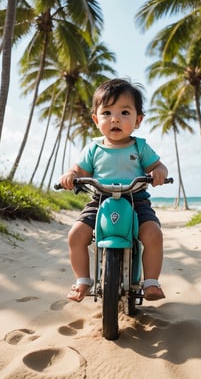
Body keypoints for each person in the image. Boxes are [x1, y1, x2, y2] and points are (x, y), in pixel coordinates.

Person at [59, 78, 168, 302]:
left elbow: (157, 166)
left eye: (125, 112)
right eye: (107, 112)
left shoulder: (140, 147)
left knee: (153, 234)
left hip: (136, 200)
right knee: (76, 235)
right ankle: (82, 280)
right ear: (95, 119)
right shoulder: (93, 148)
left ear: (138, 120)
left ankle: (151, 282)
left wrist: (159, 172)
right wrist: (71, 175)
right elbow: (78, 169)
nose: (115, 118)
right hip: (99, 200)